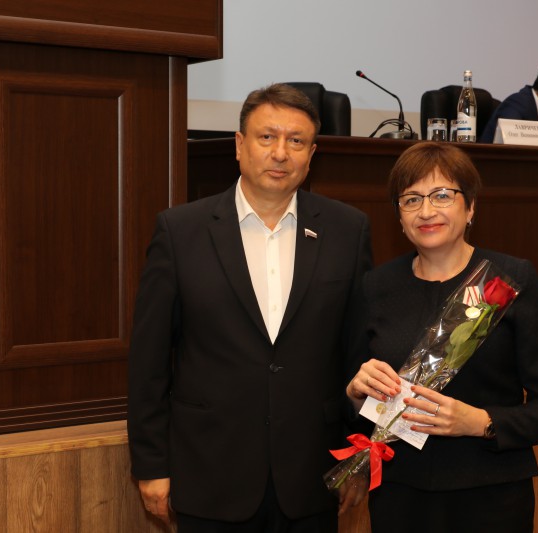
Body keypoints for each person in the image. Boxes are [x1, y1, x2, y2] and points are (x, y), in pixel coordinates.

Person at [127, 83, 373, 532]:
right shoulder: (180, 231)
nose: (280, 153)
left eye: (296, 141)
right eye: (267, 137)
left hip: (313, 476)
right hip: (209, 472)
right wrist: (151, 465)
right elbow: (149, 362)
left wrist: (357, 457)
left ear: (312, 154)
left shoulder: (347, 230)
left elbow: (358, 354)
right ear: (239, 145)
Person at [345, 143, 538, 532]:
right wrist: (355, 393)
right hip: (400, 497)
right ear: (399, 217)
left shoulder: (506, 281)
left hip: (491, 498)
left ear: (470, 208)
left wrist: (479, 421)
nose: (426, 211)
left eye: (442, 195)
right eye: (411, 199)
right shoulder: (376, 286)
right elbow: (355, 397)